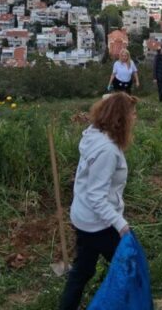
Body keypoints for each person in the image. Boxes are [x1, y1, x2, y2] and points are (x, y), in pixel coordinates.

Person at [59, 93, 137, 310]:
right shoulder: (107, 151)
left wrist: (114, 100)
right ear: (120, 119)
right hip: (99, 224)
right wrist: (120, 225)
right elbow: (96, 195)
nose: (135, 118)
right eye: (131, 114)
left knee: (82, 272)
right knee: (128, 267)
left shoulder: (94, 136)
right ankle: (132, 303)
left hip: (83, 218)